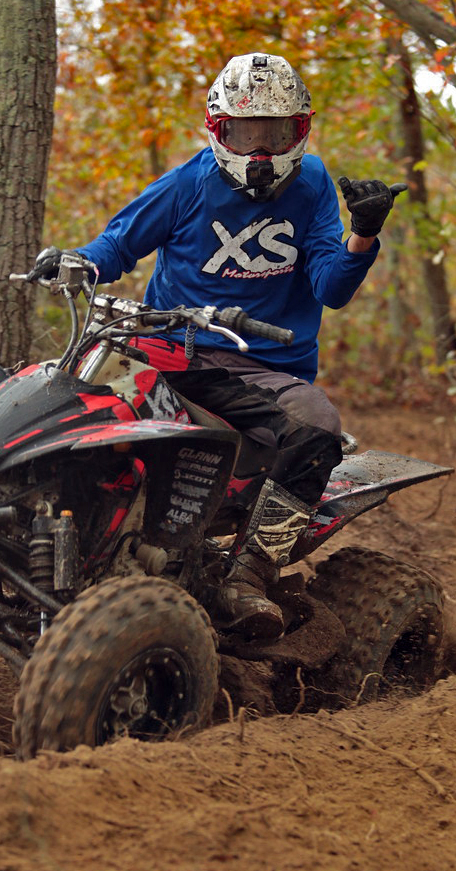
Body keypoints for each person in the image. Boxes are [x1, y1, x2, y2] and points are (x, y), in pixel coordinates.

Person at [39, 52, 403, 637]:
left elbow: (331, 289)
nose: (260, 150)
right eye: (245, 131)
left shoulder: (310, 185)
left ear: (299, 130)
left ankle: (247, 575)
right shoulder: (188, 183)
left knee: (316, 422)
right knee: (65, 392)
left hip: (262, 364)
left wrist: (363, 233)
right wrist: (77, 262)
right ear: (218, 129)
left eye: (274, 132)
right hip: (169, 344)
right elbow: (117, 245)